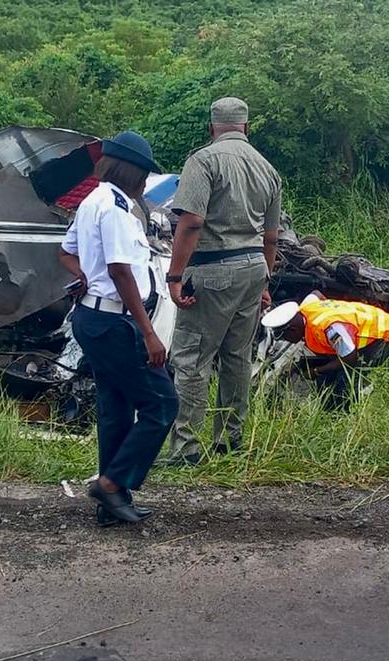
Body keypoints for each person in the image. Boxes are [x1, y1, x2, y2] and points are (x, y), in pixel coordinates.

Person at [59, 131, 178, 526]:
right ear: (130, 172)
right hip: (113, 321)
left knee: (117, 410)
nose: (146, 181)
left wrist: (83, 278)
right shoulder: (113, 208)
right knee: (162, 404)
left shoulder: (93, 201)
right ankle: (111, 484)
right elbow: (120, 270)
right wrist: (148, 333)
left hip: (94, 317)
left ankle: (112, 503)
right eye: (143, 173)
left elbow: (66, 253)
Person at [163, 97, 283, 466]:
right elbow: (272, 237)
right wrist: (265, 281)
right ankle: (230, 442)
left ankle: (187, 448)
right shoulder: (267, 169)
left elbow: (192, 222)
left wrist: (175, 275)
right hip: (252, 268)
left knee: (192, 358)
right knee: (236, 358)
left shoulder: (203, 160)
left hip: (213, 268)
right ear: (246, 127)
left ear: (212, 126)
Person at [261, 293, 389, 410]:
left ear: (293, 330)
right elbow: (316, 294)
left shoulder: (330, 329)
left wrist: (317, 371)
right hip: (364, 327)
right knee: (329, 375)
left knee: (345, 386)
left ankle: (348, 411)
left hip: (382, 335)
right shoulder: (307, 307)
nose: (289, 341)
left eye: (286, 337)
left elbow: (350, 358)